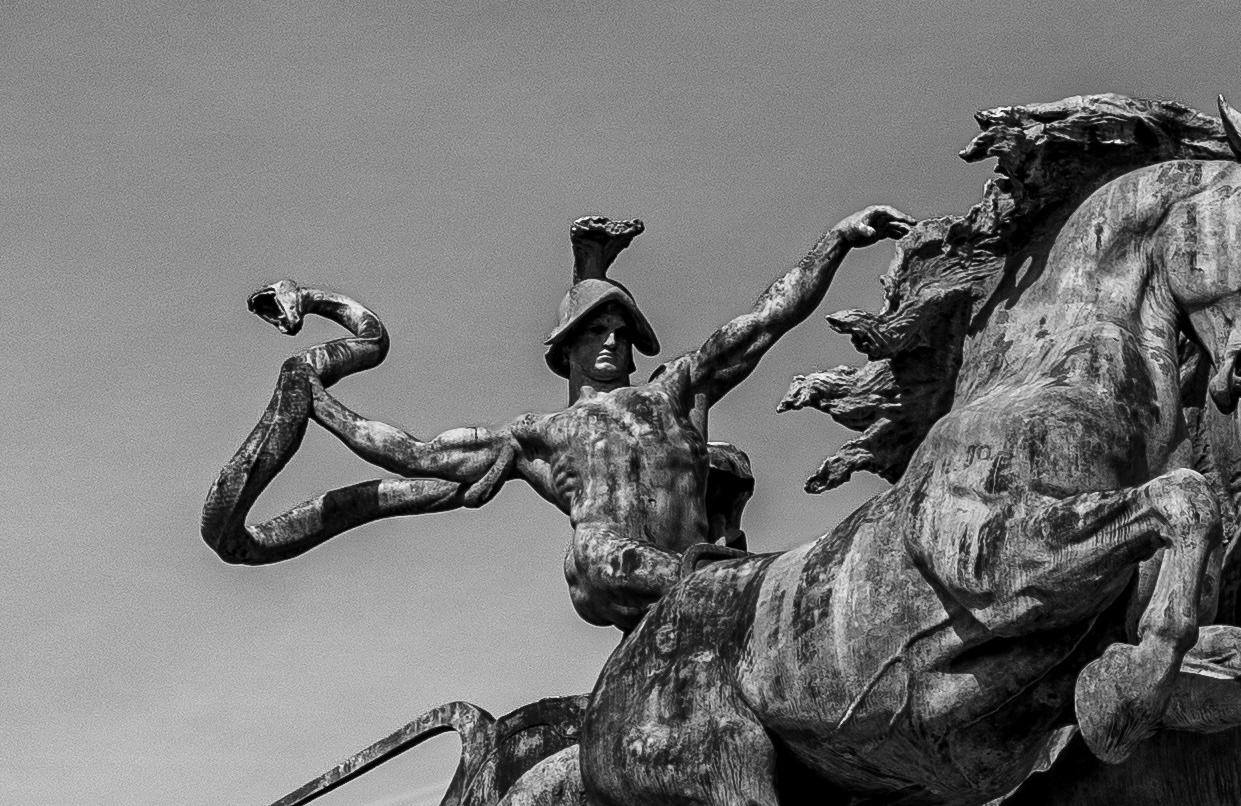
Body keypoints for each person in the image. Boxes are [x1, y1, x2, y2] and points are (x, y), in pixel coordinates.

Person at [204, 206, 907, 627]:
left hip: (702, 565)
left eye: (621, 331)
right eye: (596, 332)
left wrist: (838, 241)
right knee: (599, 552)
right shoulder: (541, 435)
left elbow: (765, 319)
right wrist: (320, 404)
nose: (611, 341)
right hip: (619, 571)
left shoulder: (677, 392)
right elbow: (412, 455)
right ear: (567, 349)